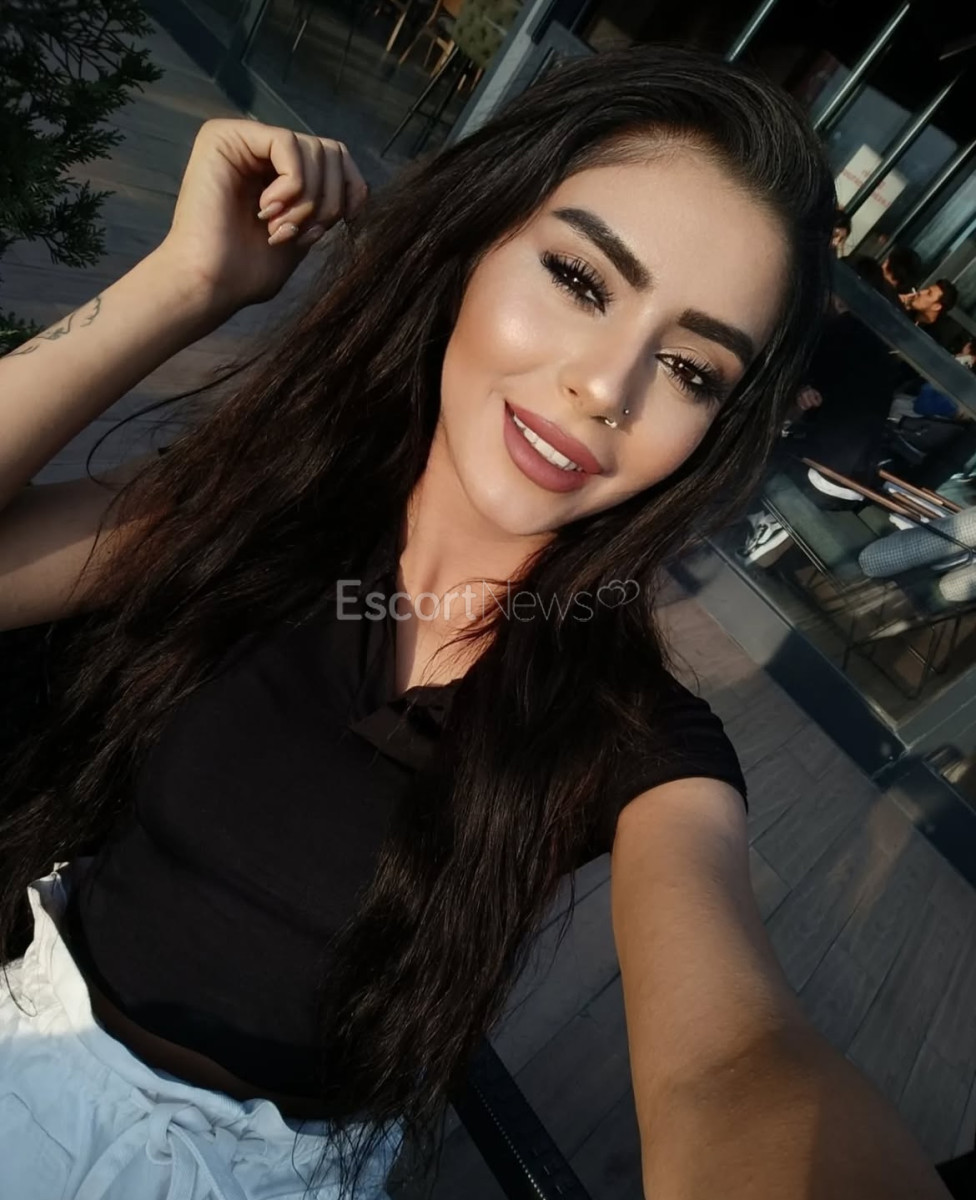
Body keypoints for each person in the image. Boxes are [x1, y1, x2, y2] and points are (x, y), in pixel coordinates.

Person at [0, 47, 952, 1200]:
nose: (606, 386)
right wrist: (186, 282)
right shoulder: (257, 513)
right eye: (581, 279)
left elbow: (732, 1062)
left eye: (691, 369)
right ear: (475, 244)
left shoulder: (632, 738)